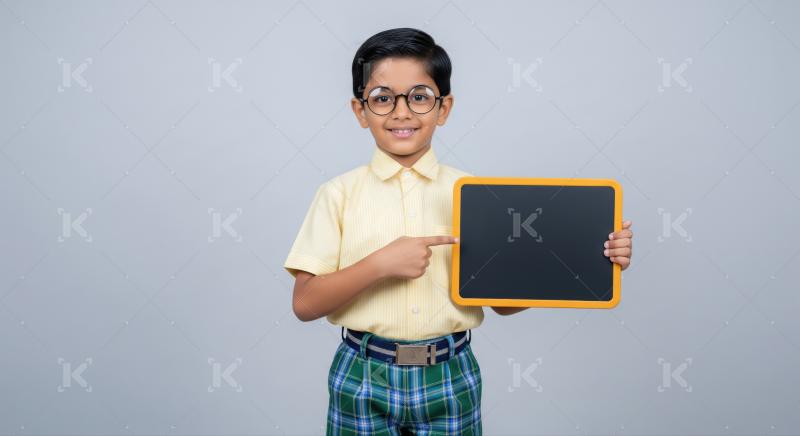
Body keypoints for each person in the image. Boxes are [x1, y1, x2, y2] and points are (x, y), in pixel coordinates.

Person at [284, 27, 634, 435]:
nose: (401, 112)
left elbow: (504, 303)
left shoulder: (479, 197)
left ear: (443, 108)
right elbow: (305, 304)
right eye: (382, 98)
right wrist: (379, 264)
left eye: (419, 96)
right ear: (361, 111)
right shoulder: (337, 194)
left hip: (450, 373)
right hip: (362, 374)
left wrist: (593, 261)